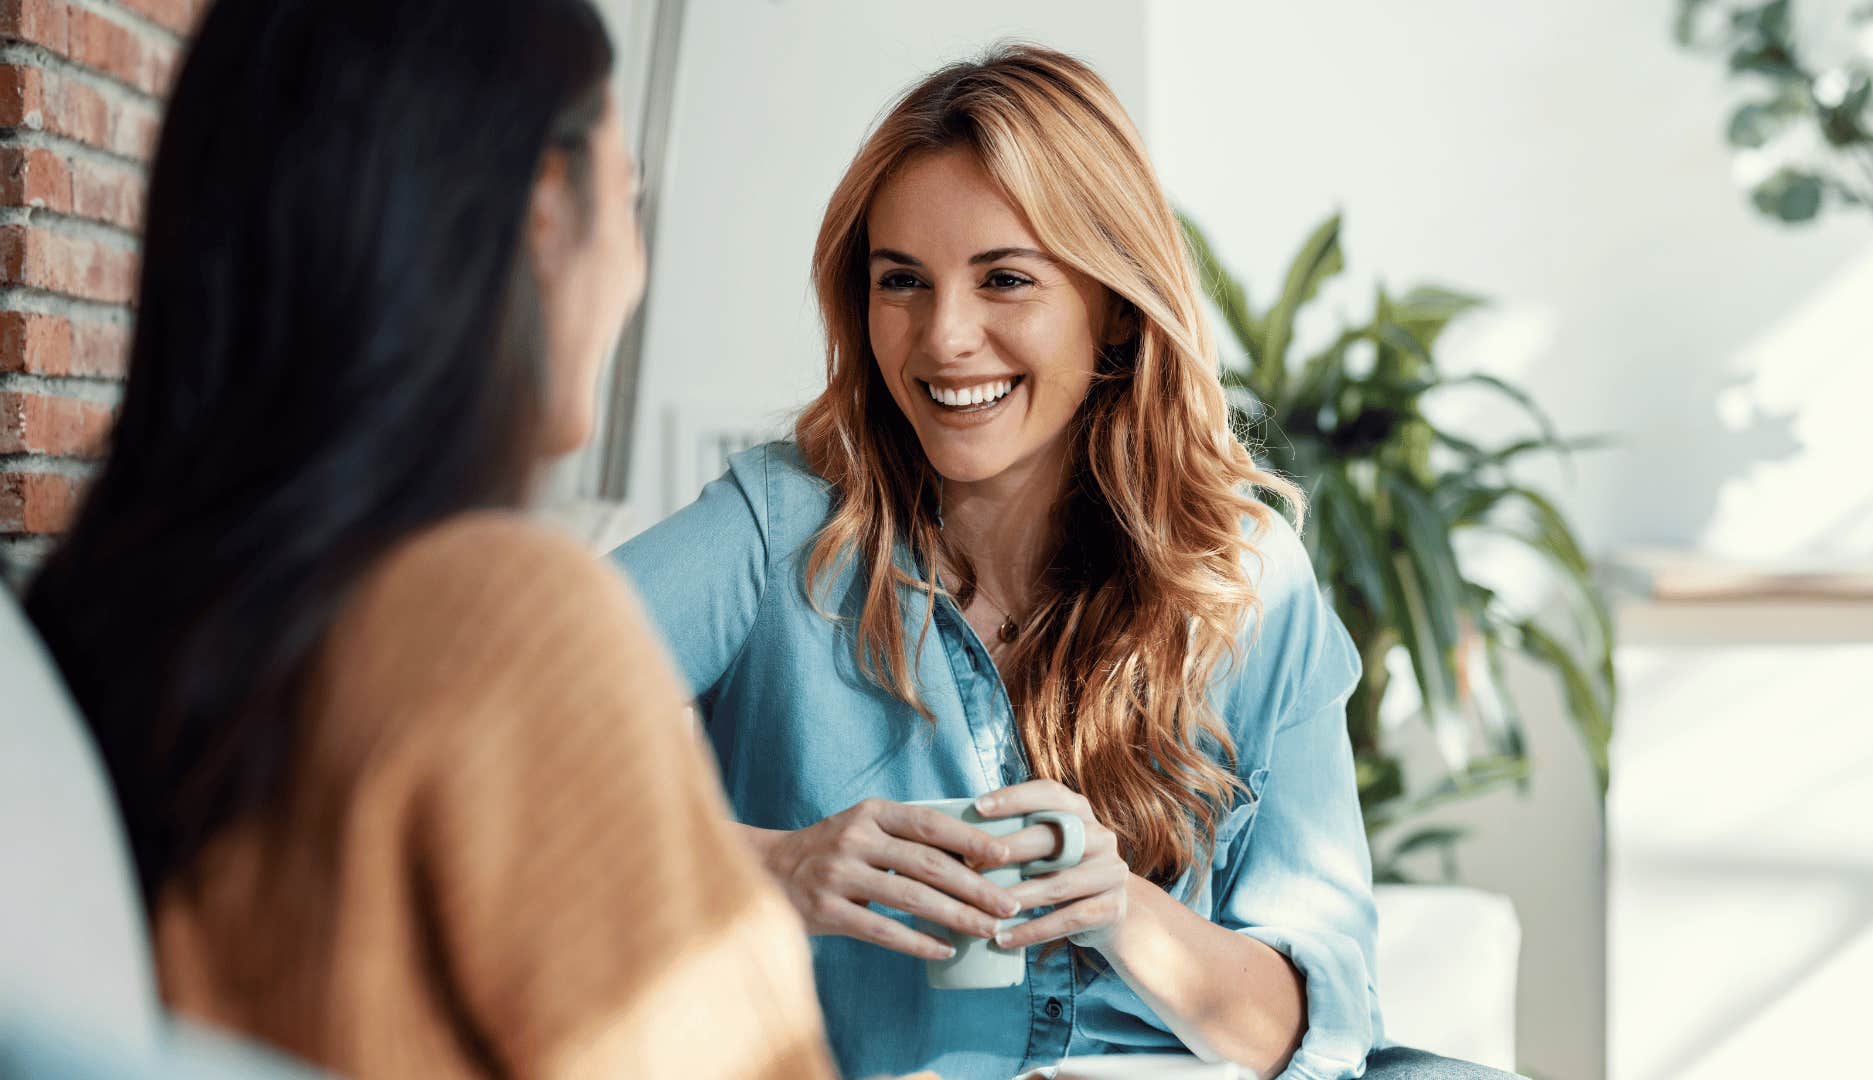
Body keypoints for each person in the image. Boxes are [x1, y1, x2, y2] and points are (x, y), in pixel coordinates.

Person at [611, 44, 1517, 1080]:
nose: (944, 337)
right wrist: (776, 865)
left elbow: (1310, 1034)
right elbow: (476, 728)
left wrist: (1119, 908)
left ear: (1113, 305)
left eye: (1005, 279)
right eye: (900, 281)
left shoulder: (1243, 580)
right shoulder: (785, 528)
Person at [25, 1, 838, 1076]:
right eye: (630, 202)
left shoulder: (109, 615)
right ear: (546, 210)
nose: (636, 271)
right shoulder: (504, 617)